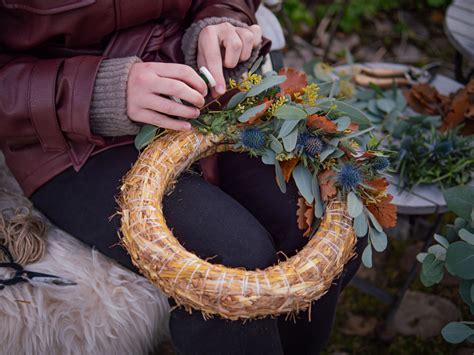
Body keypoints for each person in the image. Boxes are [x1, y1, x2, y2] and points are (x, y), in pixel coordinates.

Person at [0, 1, 366, 354]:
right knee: (229, 263)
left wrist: (222, 22)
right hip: (71, 138)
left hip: (207, 96)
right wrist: (97, 93)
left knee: (322, 211)